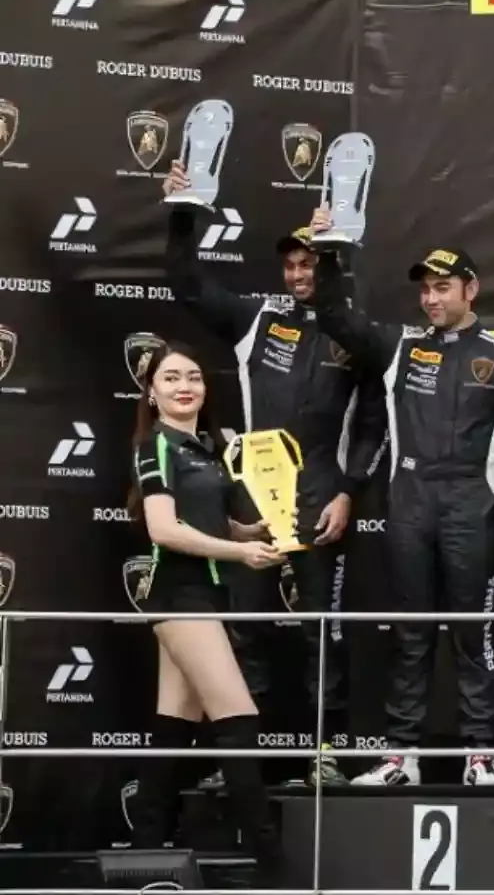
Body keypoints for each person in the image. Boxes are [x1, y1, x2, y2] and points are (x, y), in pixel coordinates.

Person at [162, 163, 388, 785]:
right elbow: (186, 283)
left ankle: (326, 754)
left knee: (322, 631)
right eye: (290, 266)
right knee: (245, 629)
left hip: (319, 495)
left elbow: (374, 424)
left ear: (331, 266)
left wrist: (348, 491)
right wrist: (182, 214)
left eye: (309, 264)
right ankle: (240, 761)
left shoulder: (358, 335)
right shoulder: (255, 320)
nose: (297, 274)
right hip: (251, 498)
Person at [304, 213, 494, 787]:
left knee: (471, 634)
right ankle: (401, 758)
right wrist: (329, 254)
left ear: (471, 289)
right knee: (410, 634)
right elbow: (334, 316)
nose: (431, 299)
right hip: (409, 502)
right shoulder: (401, 347)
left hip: (471, 504)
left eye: (443, 287)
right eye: (425, 290)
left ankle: (480, 755)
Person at [126, 342, 286, 883]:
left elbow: (211, 523)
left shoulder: (209, 448)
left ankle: (144, 856)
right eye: (171, 378)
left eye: (193, 376)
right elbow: (164, 529)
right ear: (152, 391)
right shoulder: (156, 444)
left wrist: (253, 532)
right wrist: (241, 553)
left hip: (208, 595)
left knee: (174, 723)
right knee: (238, 719)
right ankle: (274, 866)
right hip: (179, 594)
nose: (184, 386)